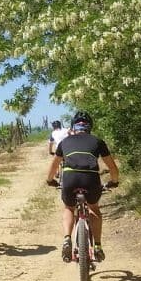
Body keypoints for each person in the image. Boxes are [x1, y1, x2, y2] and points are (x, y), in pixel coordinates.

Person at [46, 111, 119, 263]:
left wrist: (50, 180)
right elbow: (112, 167)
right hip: (90, 179)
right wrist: (114, 181)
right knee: (93, 208)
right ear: (89, 127)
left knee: (69, 208)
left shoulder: (65, 142)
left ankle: (67, 238)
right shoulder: (98, 141)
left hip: (70, 178)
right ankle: (97, 246)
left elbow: (54, 165)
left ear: (73, 127)